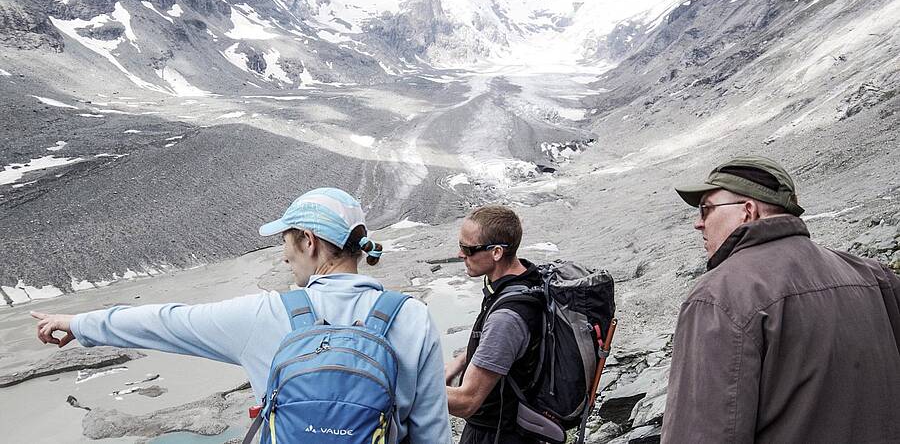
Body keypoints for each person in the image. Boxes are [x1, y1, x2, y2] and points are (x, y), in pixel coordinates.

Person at [31, 187, 452, 443]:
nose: (285, 256)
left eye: (285, 242)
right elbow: (432, 433)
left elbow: (164, 322)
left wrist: (78, 324)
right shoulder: (411, 317)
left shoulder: (265, 315)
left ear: (308, 240)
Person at [662, 156, 900, 443]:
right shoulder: (871, 274)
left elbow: (702, 434)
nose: (698, 224)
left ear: (747, 211)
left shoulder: (719, 296)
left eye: (706, 209)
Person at [445, 205, 544, 444]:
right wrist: (461, 361)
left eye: (467, 248)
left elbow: (467, 402)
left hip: (497, 433)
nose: (460, 254)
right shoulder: (525, 279)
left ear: (497, 252)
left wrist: (403, 387)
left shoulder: (508, 317)